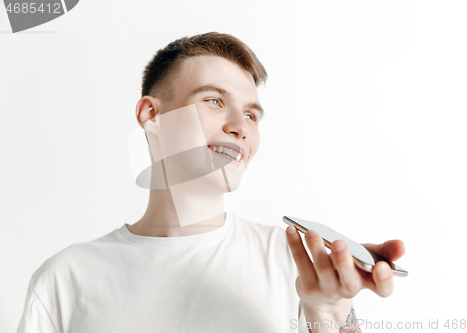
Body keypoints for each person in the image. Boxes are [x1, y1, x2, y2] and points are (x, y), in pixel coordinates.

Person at [16, 32, 405, 333]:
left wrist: (327, 313)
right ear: (152, 114)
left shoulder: (298, 264)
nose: (240, 128)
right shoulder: (65, 278)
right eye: (214, 101)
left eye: (252, 115)